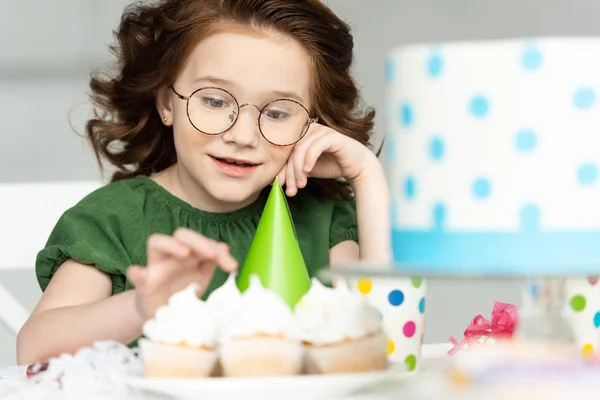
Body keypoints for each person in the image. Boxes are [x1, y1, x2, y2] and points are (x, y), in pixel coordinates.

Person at [16, 0, 390, 365]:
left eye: (277, 112)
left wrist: (366, 176)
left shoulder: (325, 223)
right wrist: (143, 306)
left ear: (311, 124)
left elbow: (388, 353)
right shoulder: (113, 221)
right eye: (214, 101)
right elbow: (33, 350)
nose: (243, 135)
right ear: (166, 103)